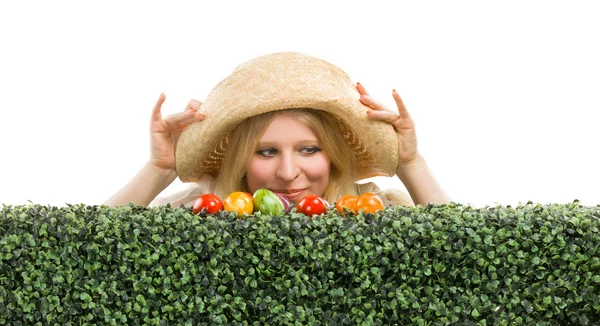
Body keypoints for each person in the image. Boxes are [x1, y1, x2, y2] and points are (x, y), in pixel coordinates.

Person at [104, 52, 450, 208]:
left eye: (309, 149)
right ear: (241, 158)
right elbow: (80, 252)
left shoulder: (372, 208)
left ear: (333, 154)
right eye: (266, 151)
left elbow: (469, 254)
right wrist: (159, 169)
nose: (287, 173)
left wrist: (410, 164)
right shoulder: (205, 210)